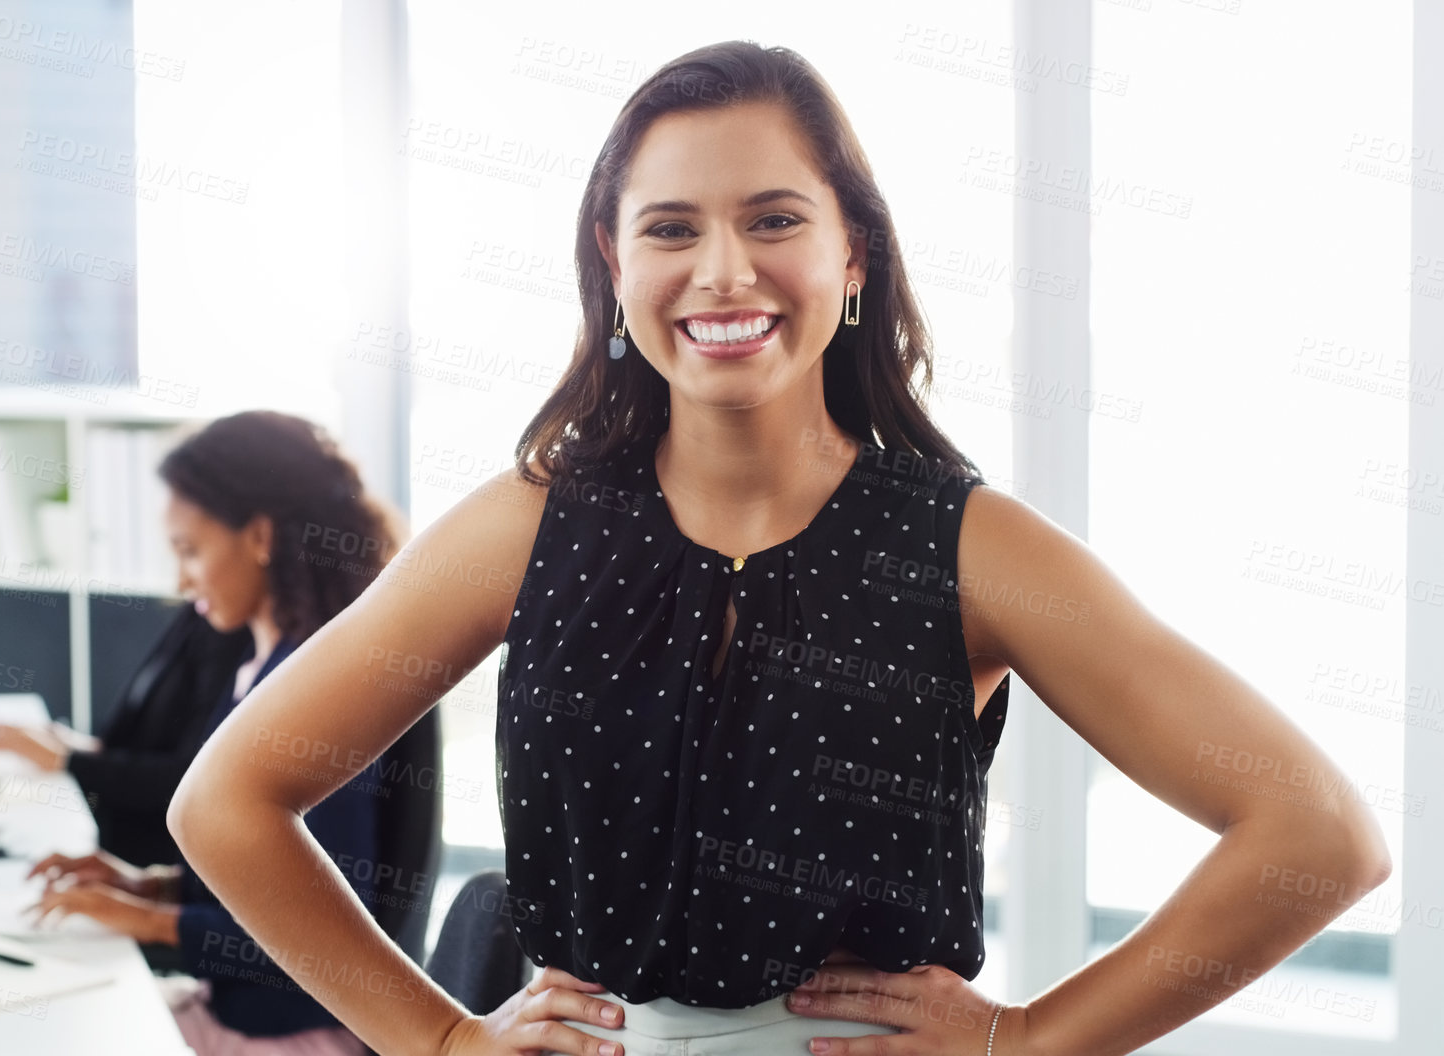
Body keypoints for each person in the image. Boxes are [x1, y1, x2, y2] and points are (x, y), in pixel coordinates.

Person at [165, 40, 1392, 1056]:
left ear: (850, 253)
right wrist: (437, 1039)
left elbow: (1317, 835)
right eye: (669, 229)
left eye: (773, 219)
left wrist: (1029, 1038)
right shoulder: (522, 528)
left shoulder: (972, 548)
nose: (722, 271)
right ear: (612, 260)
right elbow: (229, 801)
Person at [13, 410, 441, 1054]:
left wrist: (151, 921)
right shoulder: (264, 666)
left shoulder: (317, 688)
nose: (181, 580)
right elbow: (269, 879)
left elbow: (313, 933)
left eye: (190, 550)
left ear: (260, 536)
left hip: (300, 1034)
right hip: (241, 1010)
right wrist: (144, 882)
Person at [0, 602, 250, 867]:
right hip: (126, 855)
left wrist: (66, 759)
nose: (182, 582)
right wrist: (64, 741)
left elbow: (182, 780)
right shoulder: (197, 614)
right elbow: (134, 739)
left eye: (191, 555)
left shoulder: (235, 638)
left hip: (148, 853)